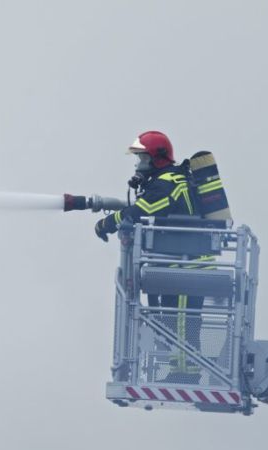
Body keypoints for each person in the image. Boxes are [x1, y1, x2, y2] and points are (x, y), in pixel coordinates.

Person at [94, 130, 205, 384]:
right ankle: (183, 368)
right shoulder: (166, 181)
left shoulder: (168, 182)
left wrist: (107, 223)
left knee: (181, 319)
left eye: (142, 159)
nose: (139, 165)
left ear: (158, 158)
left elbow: (141, 210)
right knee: (173, 317)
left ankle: (186, 372)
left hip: (187, 264)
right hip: (178, 262)